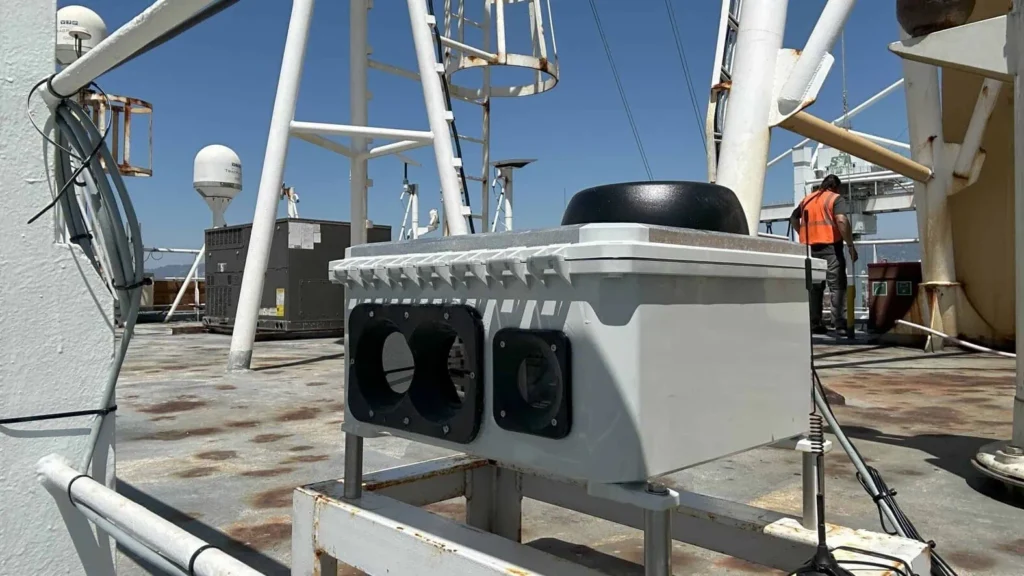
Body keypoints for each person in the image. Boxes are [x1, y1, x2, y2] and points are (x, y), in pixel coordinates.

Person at [790, 174, 858, 335]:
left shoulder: (807, 199)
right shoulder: (835, 198)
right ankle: (839, 324)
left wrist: (803, 234)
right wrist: (850, 245)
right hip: (831, 247)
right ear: (835, 187)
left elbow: (793, 218)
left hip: (810, 249)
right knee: (837, 286)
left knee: (815, 287)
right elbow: (841, 220)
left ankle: (814, 323)